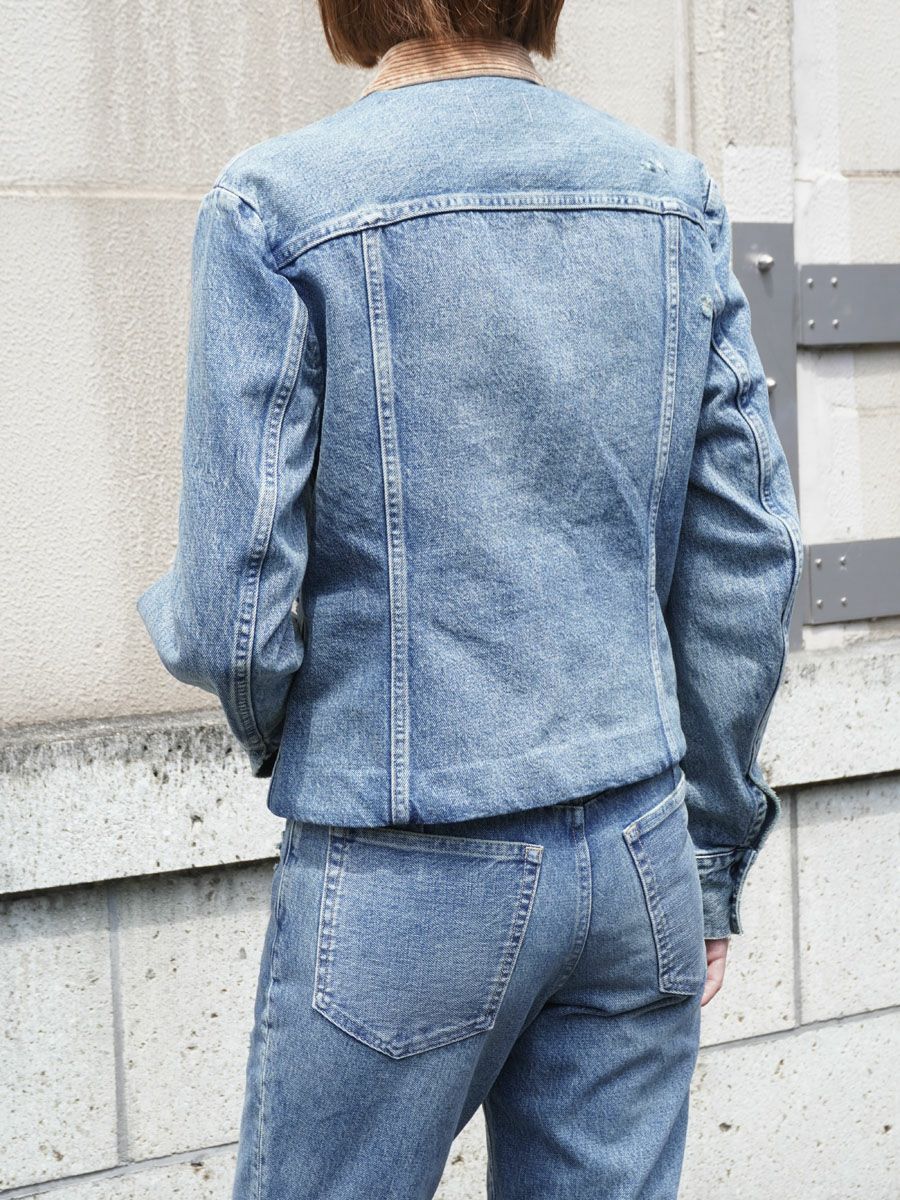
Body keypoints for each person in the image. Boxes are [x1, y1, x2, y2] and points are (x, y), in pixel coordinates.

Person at [135, 2, 803, 1196]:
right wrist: (707, 848)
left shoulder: (275, 206)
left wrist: (296, 729)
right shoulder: (671, 198)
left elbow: (234, 615)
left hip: (405, 853)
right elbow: (748, 550)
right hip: (638, 847)